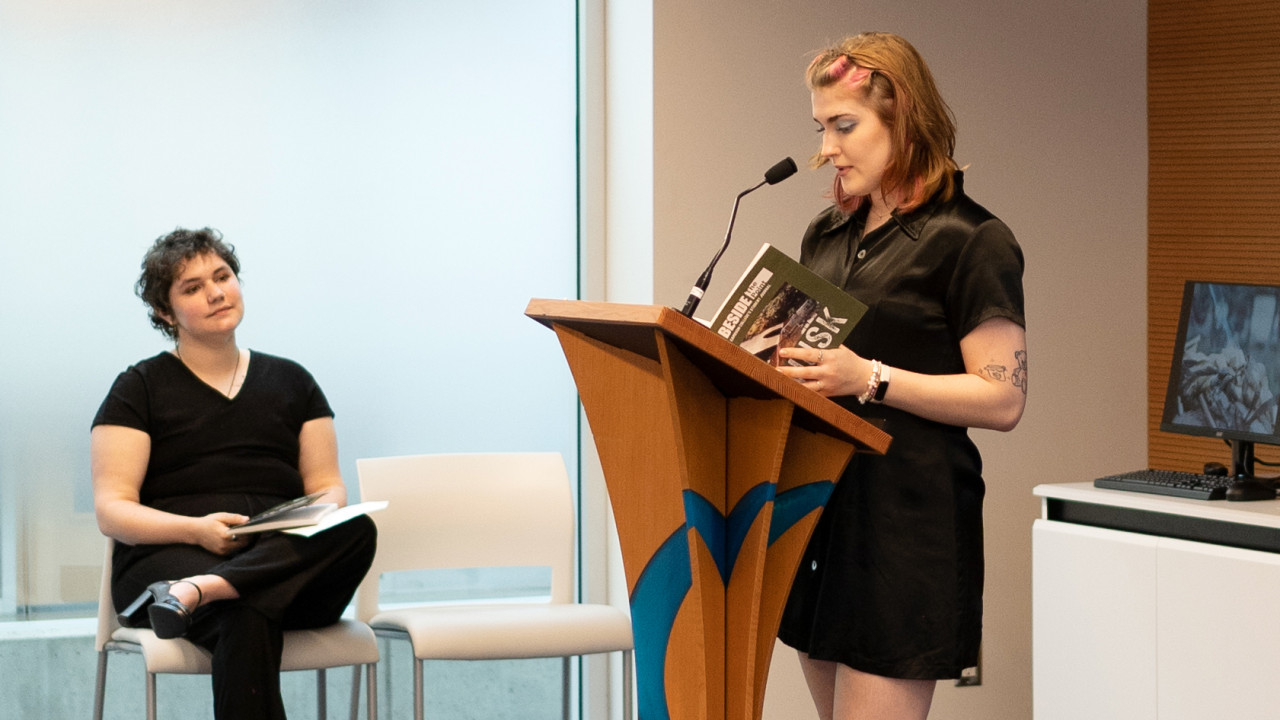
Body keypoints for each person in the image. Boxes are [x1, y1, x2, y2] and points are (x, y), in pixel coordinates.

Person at [774, 33, 1028, 720]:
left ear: (904, 119)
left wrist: (869, 377)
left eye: (844, 126)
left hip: (905, 530)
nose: (826, 147)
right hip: (820, 515)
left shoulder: (972, 240)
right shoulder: (825, 234)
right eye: (821, 128)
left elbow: (1003, 397)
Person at [91, 227, 378, 720]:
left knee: (356, 526)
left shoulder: (294, 381)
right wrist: (195, 531)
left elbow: (329, 487)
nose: (216, 292)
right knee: (243, 613)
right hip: (168, 565)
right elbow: (112, 509)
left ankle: (209, 587)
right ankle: (209, 588)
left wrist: (302, 519)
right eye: (192, 287)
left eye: (222, 276)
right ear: (165, 312)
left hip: (278, 562)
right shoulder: (137, 388)